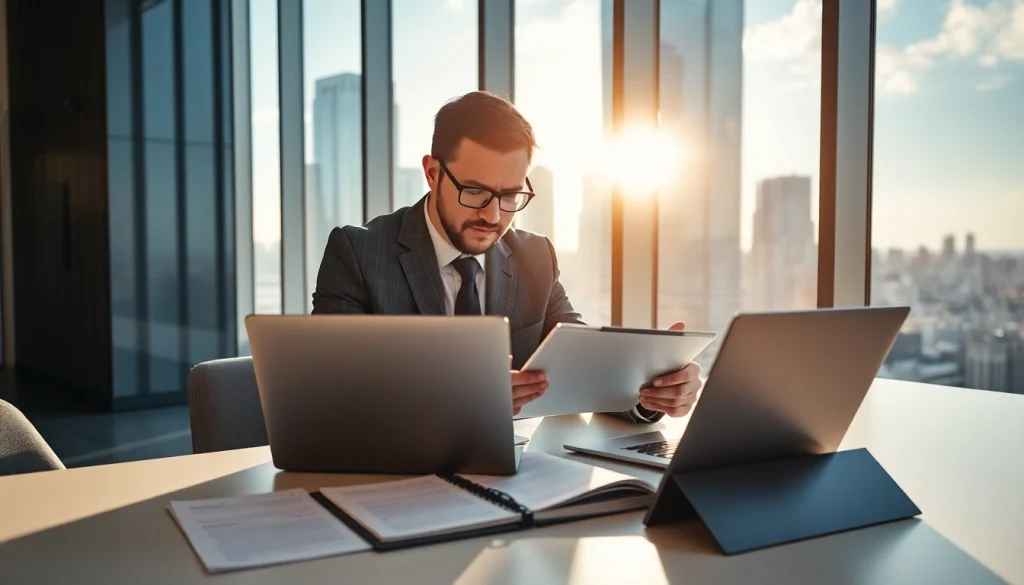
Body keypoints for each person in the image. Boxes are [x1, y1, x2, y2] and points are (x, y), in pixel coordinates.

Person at [311, 91, 701, 423]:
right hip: (397, 482)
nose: (493, 216)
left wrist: (652, 394)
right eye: (475, 191)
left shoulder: (535, 257)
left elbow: (582, 370)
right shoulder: (359, 253)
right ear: (432, 173)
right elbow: (330, 394)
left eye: (511, 196)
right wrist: (458, 399)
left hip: (518, 477)